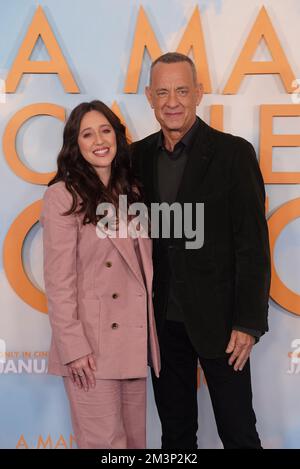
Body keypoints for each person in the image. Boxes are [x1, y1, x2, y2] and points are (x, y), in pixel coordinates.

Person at [131, 52, 271, 449]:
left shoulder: (233, 153)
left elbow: (253, 246)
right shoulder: (135, 157)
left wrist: (248, 322)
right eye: (162, 92)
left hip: (224, 325)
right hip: (161, 325)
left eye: (181, 90)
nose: (171, 101)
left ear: (198, 94)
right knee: (175, 438)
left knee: (239, 433)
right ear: (148, 96)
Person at [40, 100, 160, 449]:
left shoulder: (131, 192)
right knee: (104, 445)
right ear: (74, 146)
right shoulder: (62, 196)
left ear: (117, 136)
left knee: (135, 444)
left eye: (105, 130)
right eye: (87, 134)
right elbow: (59, 282)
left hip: (133, 344)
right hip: (91, 349)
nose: (99, 140)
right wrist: (73, 348)